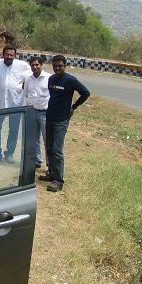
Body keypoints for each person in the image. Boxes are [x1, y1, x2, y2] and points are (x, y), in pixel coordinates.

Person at [39, 54, 90, 192]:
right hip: (49, 117)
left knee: (57, 150)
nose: (57, 68)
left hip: (61, 120)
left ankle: (58, 180)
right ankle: (51, 173)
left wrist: (74, 107)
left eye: (60, 66)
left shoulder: (70, 80)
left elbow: (85, 93)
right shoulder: (51, 79)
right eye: (55, 66)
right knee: (49, 147)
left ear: (65, 66)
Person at [0, 45, 30, 163]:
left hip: (15, 103)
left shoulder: (23, 66)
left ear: (15, 55)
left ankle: (9, 153)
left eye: (12, 55)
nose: (9, 57)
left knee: (14, 130)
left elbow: (31, 77)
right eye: (7, 54)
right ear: (2, 54)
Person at [22, 56, 50, 169]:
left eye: (37, 64)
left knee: (47, 140)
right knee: (34, 139)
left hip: (45, 113)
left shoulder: (49, 78)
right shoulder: (28, 79)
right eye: (32, 65)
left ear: (41, 65)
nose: (35, 67)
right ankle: (37, 160)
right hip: (32, 112)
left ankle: (50, 165)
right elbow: (26, 94)